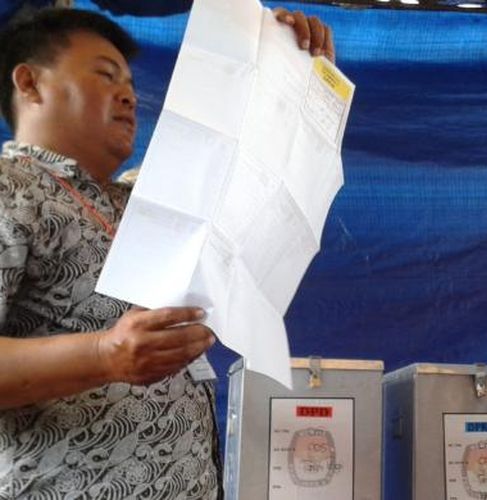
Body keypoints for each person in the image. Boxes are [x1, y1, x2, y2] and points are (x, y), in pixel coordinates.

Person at [0, 6, 334, 499]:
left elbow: (255, 169)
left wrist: (296, 75)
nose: (129, 95)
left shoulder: (141, 201)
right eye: (104, 74)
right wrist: (103, 354)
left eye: (131, 83)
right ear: (29, 83)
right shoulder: (11, 188)